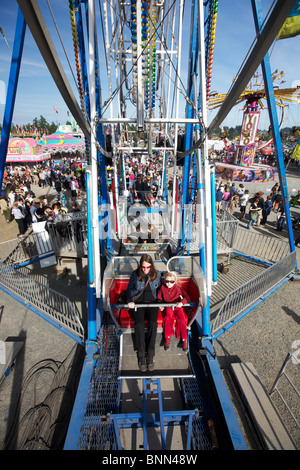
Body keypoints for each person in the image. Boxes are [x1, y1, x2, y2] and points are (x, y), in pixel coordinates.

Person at [127, 254, 162, 372]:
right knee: (139, 325)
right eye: (143, 267)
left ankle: (150, 354)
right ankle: (141, 355)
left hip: (152, 303)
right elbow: (129, 289)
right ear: (140, 265)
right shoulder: (135, 274)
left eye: (148, 267)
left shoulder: (156, 274)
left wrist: (161, 303)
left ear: (151, 266)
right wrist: (130, 300)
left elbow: (160, 290)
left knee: (153, 324)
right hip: (138, 304)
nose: (145, 270)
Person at [157, 271, 189, 352]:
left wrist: (182, 303)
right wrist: (160, 305)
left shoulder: (178, 288)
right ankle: (167, 338)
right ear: (164, 281)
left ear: (175, 281)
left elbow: (186, 297)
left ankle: (184, 339)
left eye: (171, 282)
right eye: (167, 281)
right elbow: (159, 298)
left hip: (177, 306)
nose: (169, 283)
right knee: (167, 318)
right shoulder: (162, 288)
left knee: (181, 319)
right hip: (168, 306)